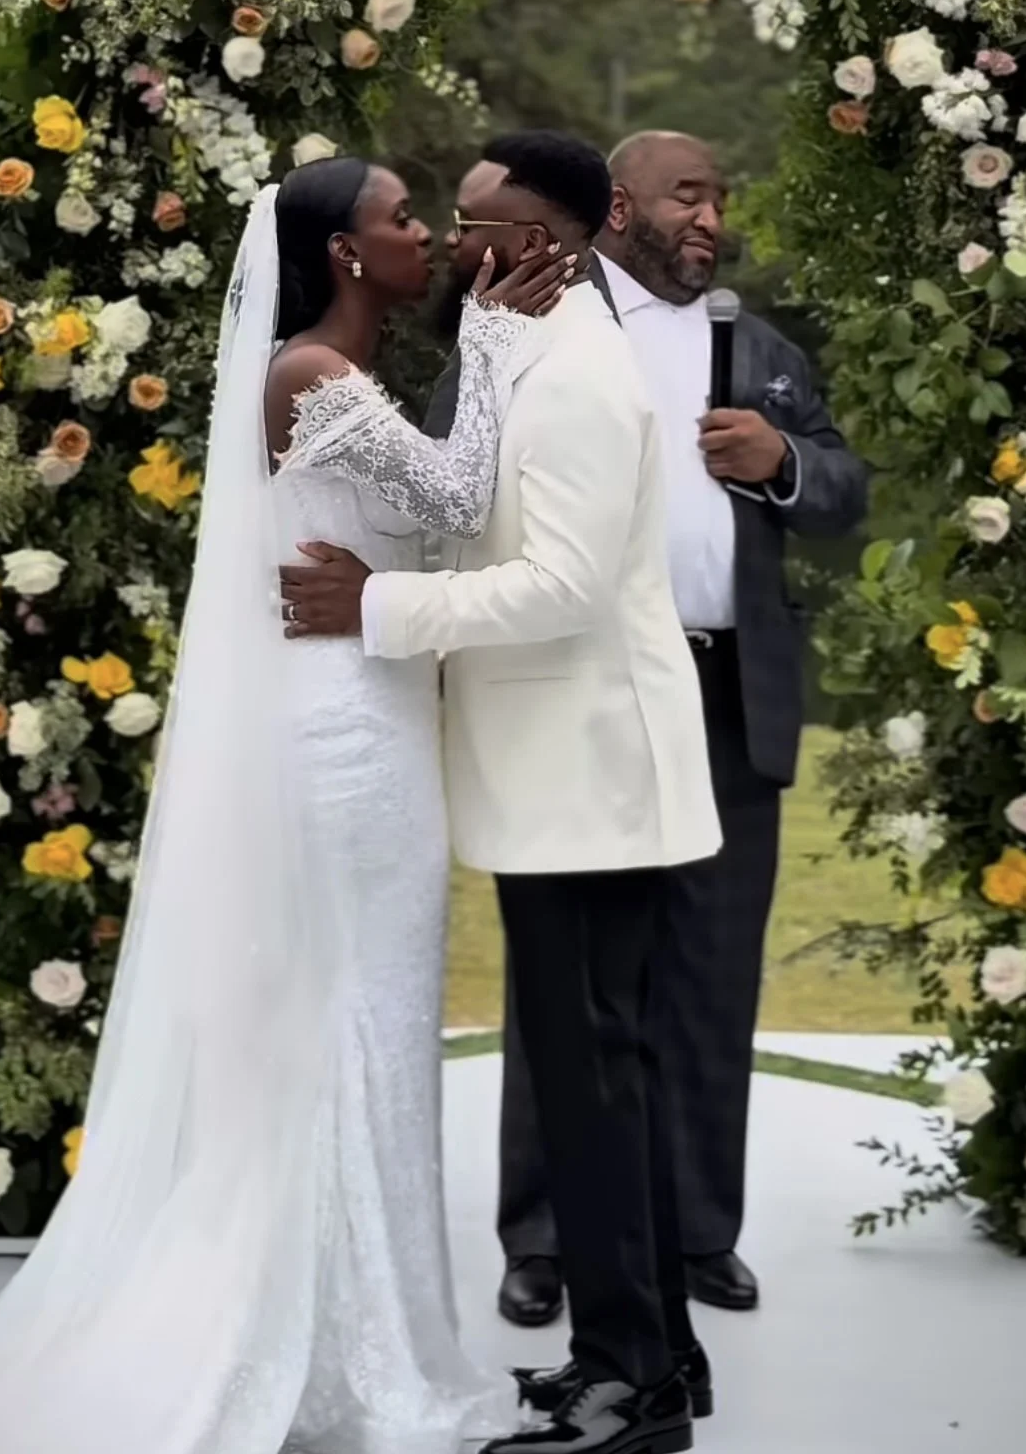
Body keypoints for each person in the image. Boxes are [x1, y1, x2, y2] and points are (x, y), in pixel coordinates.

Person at [0, 158, 566, 1454]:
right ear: (342, 253)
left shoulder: (342, 379)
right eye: (400, 219)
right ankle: (338, 1353)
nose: (422, 237)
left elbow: (433, 523)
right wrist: (497, 331)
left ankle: (354, 1338)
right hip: (346, 734)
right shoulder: (310, 377)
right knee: (354, 1028)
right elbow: (456, 495)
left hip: (374, 711)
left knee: (373, 1029)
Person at [282, 133, 722, 1454]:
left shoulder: (581, 371)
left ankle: (623, 1387)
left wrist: (375, 607)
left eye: (475, 222)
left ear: (542, 240)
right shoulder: (514, 343)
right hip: (558, 780)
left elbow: (562, 589)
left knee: (595, 1085)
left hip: (589, 778)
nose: (456, 241)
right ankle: (658, 1358)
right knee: (604, 1076)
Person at [495, 130, 868, 1329]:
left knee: (710, 976)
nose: (711, 217)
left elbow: (845, 487)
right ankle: (546, 1236)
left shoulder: (753, 349)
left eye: (722, 196)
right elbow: (459, 463)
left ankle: (701, 1230)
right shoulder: (536, 321)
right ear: (618, 208)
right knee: (565, 976)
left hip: (724, 695)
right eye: (688, 196)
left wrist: (782, 463)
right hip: (582, 691)